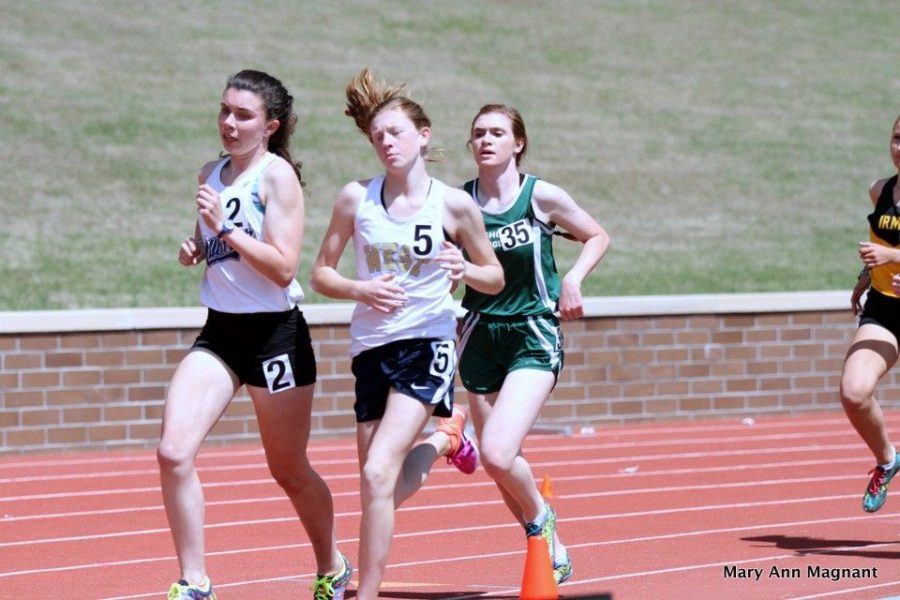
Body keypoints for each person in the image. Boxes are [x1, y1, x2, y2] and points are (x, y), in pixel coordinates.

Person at [309, 68, 504, 600]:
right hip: (372, 345)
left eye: (395, 133)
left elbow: (494, 275)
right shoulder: (356, 198)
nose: (386, 144)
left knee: (376, 474)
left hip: (428, 340)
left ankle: (365, 593)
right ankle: (446, 440)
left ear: (424, 135)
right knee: (380, 486)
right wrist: (360, 289)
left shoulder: (453, 205)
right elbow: (320, 274)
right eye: (377, 137)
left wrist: (463, 270)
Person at [157, 70, 349, 600]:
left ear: (270, 125)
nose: (229, 123)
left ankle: (331, 562)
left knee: (287, 468)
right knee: (174, 452)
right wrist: (197, 248)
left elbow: (284, 268)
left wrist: (223, 230)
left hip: (275, 338)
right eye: (224, 110)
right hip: (221, 332)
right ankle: (194, 581)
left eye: (243, 115)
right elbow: (216, 244)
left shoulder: (276, 176)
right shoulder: (209, 172)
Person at [456, 104, 610, 584]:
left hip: (532, 332)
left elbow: (597, 235)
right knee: (495, 464)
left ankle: (542, 519)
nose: (486, 140)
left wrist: (574, 280)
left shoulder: (540, 195)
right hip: (478, 333)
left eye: (497, 133)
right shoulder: (458, 203)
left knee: (499, 452)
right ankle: (547, 540)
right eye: (478, 133)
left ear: (517, 143)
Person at [844, 115, 900, 513]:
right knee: (854, 391)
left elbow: (887, 250)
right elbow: (879, 245)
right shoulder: (880, 190)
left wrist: (892, 256)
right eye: (897, 138)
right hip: (886, 309)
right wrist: (868, 274)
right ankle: (887, 460)